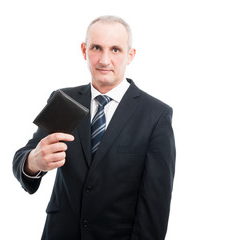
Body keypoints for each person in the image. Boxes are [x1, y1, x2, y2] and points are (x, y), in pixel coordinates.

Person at [13, 15, 176, 240]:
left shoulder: (156, 115)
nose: (104, 60)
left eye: (116, 50)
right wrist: (33, 162)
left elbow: (155, 207)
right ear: (84, 50)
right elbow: (22, 159)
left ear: (130, 55)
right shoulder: (63, 100)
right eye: (96, 48)